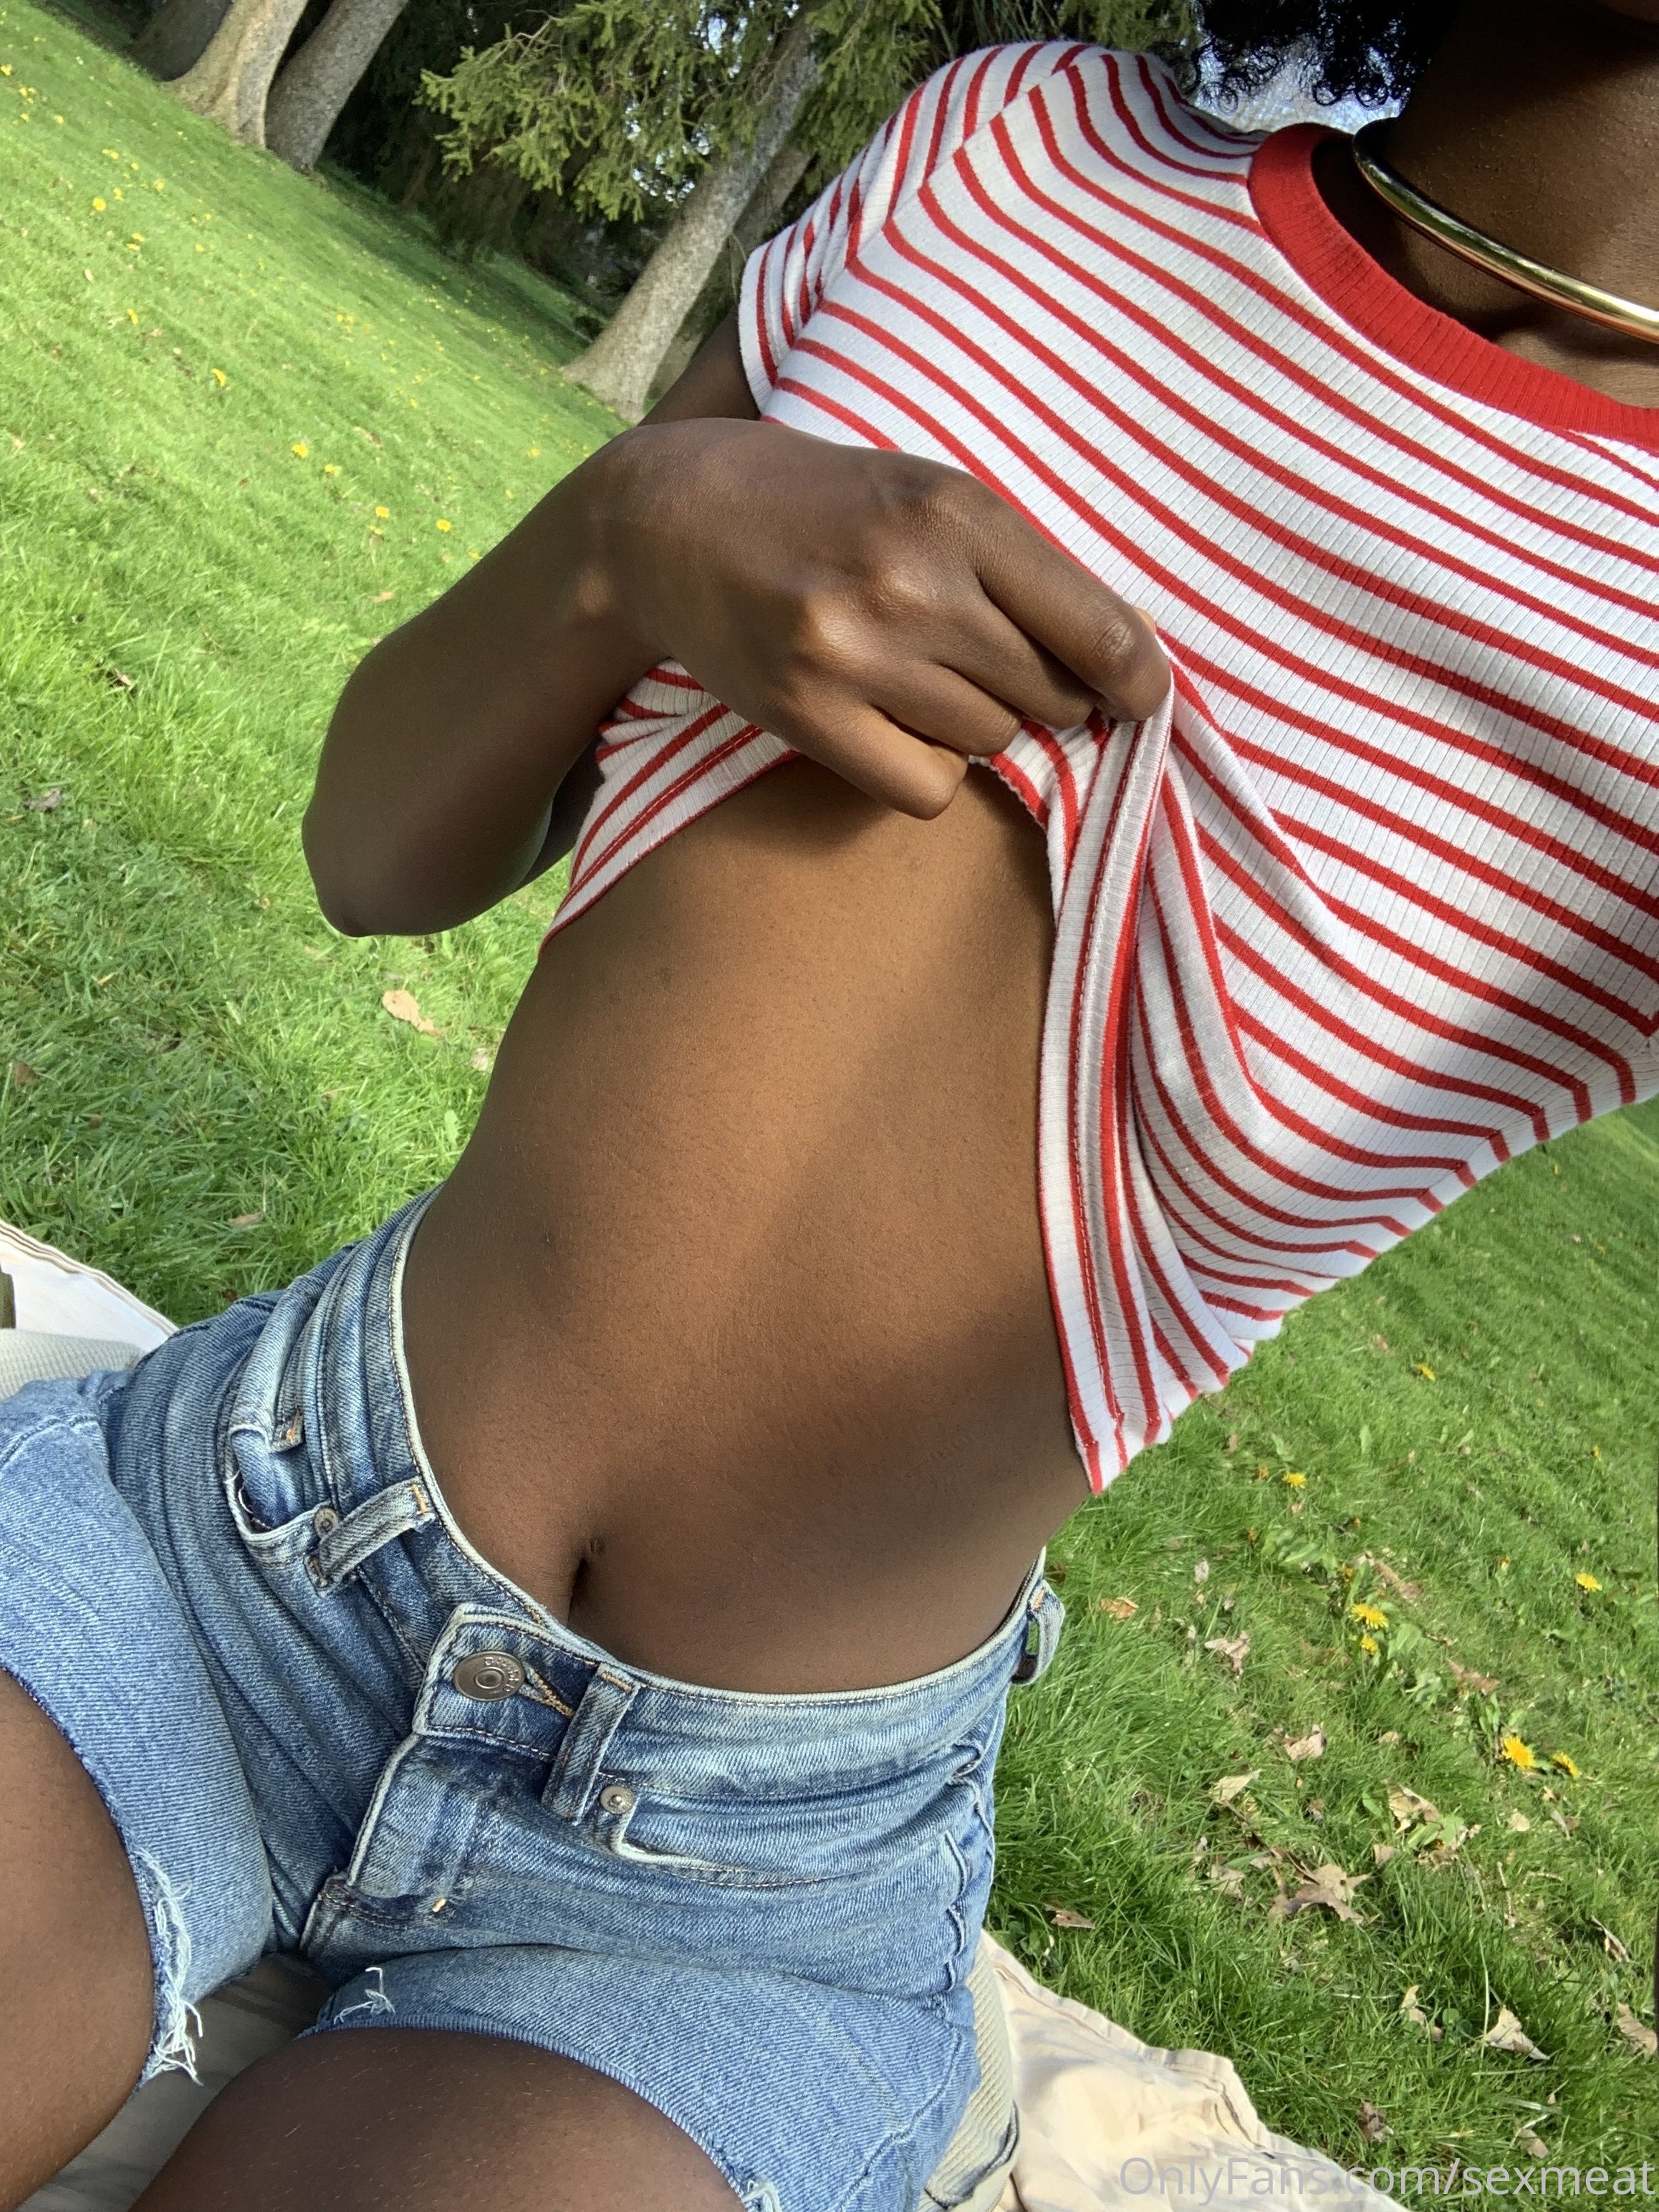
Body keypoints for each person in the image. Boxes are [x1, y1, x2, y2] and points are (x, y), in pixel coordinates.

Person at [2, 0, 1655, 2206]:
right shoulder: (1018, 159)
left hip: (737, 1902)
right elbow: (372, 847)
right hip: (242, 1531)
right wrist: (628, 531)